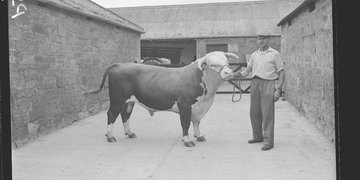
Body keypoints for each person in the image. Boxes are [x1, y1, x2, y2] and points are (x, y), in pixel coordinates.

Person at [238, 30, 285, 151]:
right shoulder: (254, 54)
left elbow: (281, 72)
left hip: (268, 83)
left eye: (264, 38)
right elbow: (248, 70)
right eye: (259, 38)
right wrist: (239, 74)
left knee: (267, 114)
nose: (261, 40)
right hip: (255, 83)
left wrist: (278, 90)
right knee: (254, 113)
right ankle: (257, 137)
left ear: (268, 40)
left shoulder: (275, 54)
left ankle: (269, 141)